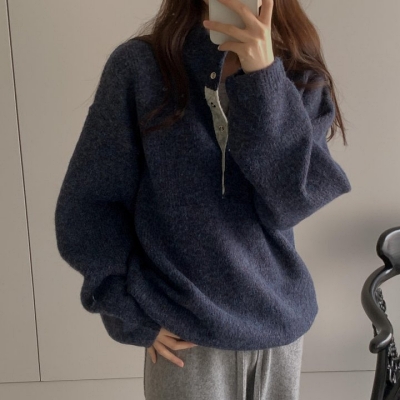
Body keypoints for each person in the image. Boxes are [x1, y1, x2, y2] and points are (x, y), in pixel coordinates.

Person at [54, 0, 352, 398]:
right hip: (185, 339)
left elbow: (292, 200)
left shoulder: (297, 72)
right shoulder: (141, 67)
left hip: (279, 334)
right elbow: (88, 206)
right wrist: (130, 311)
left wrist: (263, 79)